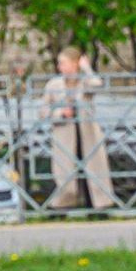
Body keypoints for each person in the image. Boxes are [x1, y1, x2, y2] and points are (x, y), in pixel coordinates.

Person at [40, 47, 115, 211]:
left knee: (93, 171)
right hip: (64, 136)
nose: (60, 67)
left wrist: (86, 68)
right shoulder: (54, 85)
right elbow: (44, 111)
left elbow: (98, 85)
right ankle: (61, 207)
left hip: (87, 134)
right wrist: (61, 113)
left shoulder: (85, 82)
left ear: (75, 64)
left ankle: (99, 207)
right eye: (59, 64)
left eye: (64, 63)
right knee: (65, 173)